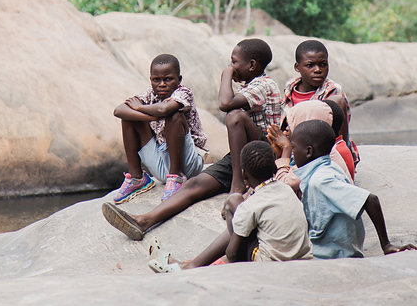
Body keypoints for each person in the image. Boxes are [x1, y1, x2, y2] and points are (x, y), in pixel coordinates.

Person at [102, 38, 283, 241]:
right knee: (194, 185)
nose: (231, 67)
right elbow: (120, 110)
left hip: (265, 151)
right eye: (230, 64)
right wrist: (148, 112)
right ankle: (144, 221)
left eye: (234, 62)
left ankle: (237, 185)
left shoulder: (265, 85)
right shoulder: (249, 86)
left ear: (251, 65)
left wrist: (226, 75)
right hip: (243, 155)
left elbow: (226, 103)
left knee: (234, 115)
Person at [149, 141, 312, 271]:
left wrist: (237, 222)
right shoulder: (286, 189)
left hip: (270, 263)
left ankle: (192, 266)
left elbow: (233, 254)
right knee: (242, 215)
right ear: (274, 168)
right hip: (300, 256)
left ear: (243, 174)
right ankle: (193, 264)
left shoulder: (253, 205)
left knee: (234, 204)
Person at [290, 119, 417, 259]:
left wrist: (386, 245)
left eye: (294, 148)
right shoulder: (328, 169)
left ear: (308, 151)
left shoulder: (321, 180)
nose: (292, 152)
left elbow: (370, 199)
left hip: (333, 256)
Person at [109, 53, 207, 204]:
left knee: (174, 116)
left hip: (187, 163)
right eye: (156, 80)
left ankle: (177, 178)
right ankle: (137, 179)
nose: (162, 84)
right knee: (128, 118)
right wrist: (151, 116)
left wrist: (141, 108)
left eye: (168, 79)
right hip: (161, 163)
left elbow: (165, 110)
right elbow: (118, 110)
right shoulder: (150, 94)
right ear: (151, 80)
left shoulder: (183, 92)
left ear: (179, 79)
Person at [282, 39, 358, 164]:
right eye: (310, 65)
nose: (317, 69)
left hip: (325, 150)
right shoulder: (290, 88)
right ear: (297, 67)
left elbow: (336, 127)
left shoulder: (332, 90)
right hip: (297, 147)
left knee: (337, 102)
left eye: (323, 64)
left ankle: (343, 161)